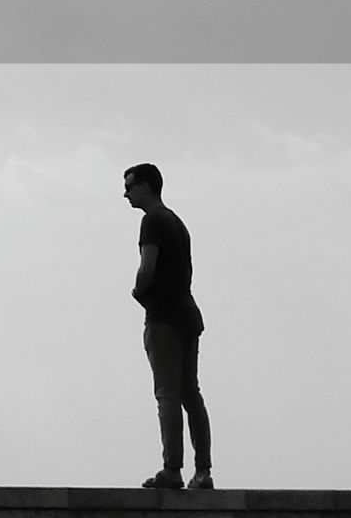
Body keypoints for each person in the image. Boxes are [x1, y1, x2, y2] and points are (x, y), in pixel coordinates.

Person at [123, 162, 213, 489]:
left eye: (130, 185)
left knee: (167, 394)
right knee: (191, 393)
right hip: (188, 314)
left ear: (147, 185)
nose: (126, 192)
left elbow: (147, 267)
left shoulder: (152, 222)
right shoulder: (177, 222)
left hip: (164, 318)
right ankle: (203, 471)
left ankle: (172, 469)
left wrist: (138, 290)